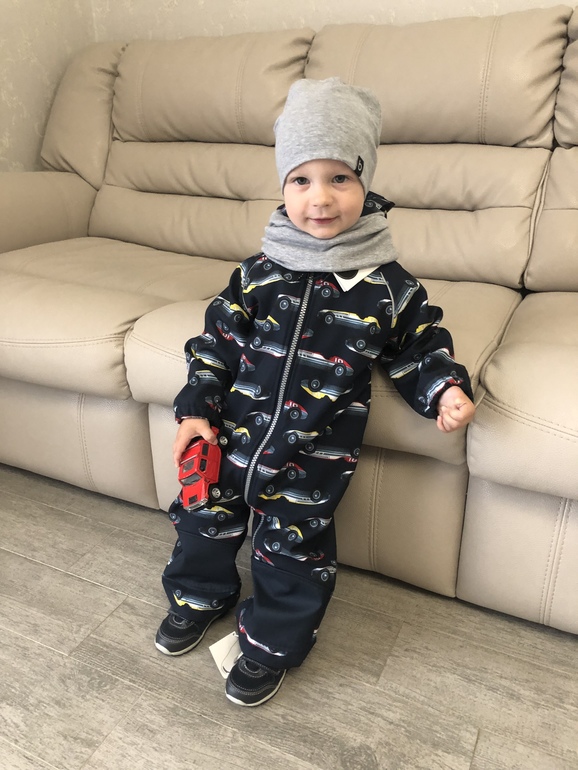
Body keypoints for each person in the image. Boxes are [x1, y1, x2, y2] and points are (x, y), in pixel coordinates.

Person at [155, 77, 475, 707]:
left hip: (311, 457)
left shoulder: (387, 288)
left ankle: (271, 644)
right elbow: (215, 343)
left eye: (339, 178)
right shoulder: (257, 273)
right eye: (300, 180)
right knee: (200, 521)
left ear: (365, 182)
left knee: (292, 556)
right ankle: (200, 596)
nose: (320, 198)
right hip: (229, 441)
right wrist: (196, 410)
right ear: (282, 186)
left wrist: (443, 389)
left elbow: (419, 344)